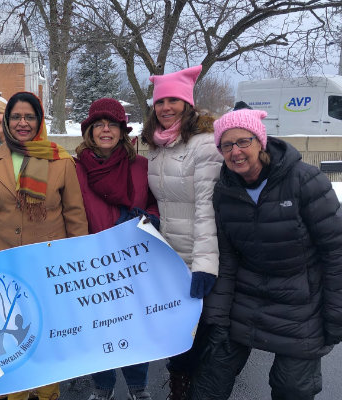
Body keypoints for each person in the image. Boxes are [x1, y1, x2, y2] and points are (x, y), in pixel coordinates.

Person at [189, 109, 342, 400]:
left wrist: (335, 315)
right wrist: (217, 318)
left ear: (260, 140)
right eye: (226, 145)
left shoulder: (305, 180)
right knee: (210, 376)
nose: (236, 152)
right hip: (247, 294)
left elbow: (335, 252)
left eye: (243, 142)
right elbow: (229, 259)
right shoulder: (224, 190)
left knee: (292, 387)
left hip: (300, 299)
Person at [0, 91, 89, 400]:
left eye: (29, 116)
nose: (22, 123)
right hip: (2, 267)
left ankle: (47, 394)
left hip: (48, 266)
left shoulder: (60, 160)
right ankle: (16, 395)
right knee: (9, 342)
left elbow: (74, 215)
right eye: (16, 116)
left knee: (47, 339)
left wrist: (80, 262)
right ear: (6, 121)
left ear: (39, 120)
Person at [140, 65, 223, 400]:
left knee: (201, 335)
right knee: (178, 331)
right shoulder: (157, 146)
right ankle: (179, 385)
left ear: (187, 104)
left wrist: (204, 264)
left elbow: (207, 208)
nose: (166, 107)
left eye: (174, 100)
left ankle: (195, 390)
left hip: (198, 254)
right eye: (161, 101)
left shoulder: (205, 145)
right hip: (169, 256)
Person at [75, 98, 159, 400]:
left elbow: (154, 202)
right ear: (90, 130)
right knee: (100, 327)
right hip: (94, 262)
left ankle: (138, 387)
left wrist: (150, 219)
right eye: (99, 125)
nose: (106, 130)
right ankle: (103, 388)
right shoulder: (75, 169)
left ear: (122, 130)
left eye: (112, 124)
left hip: (133, 259)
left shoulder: (141, 166)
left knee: (135, 326)